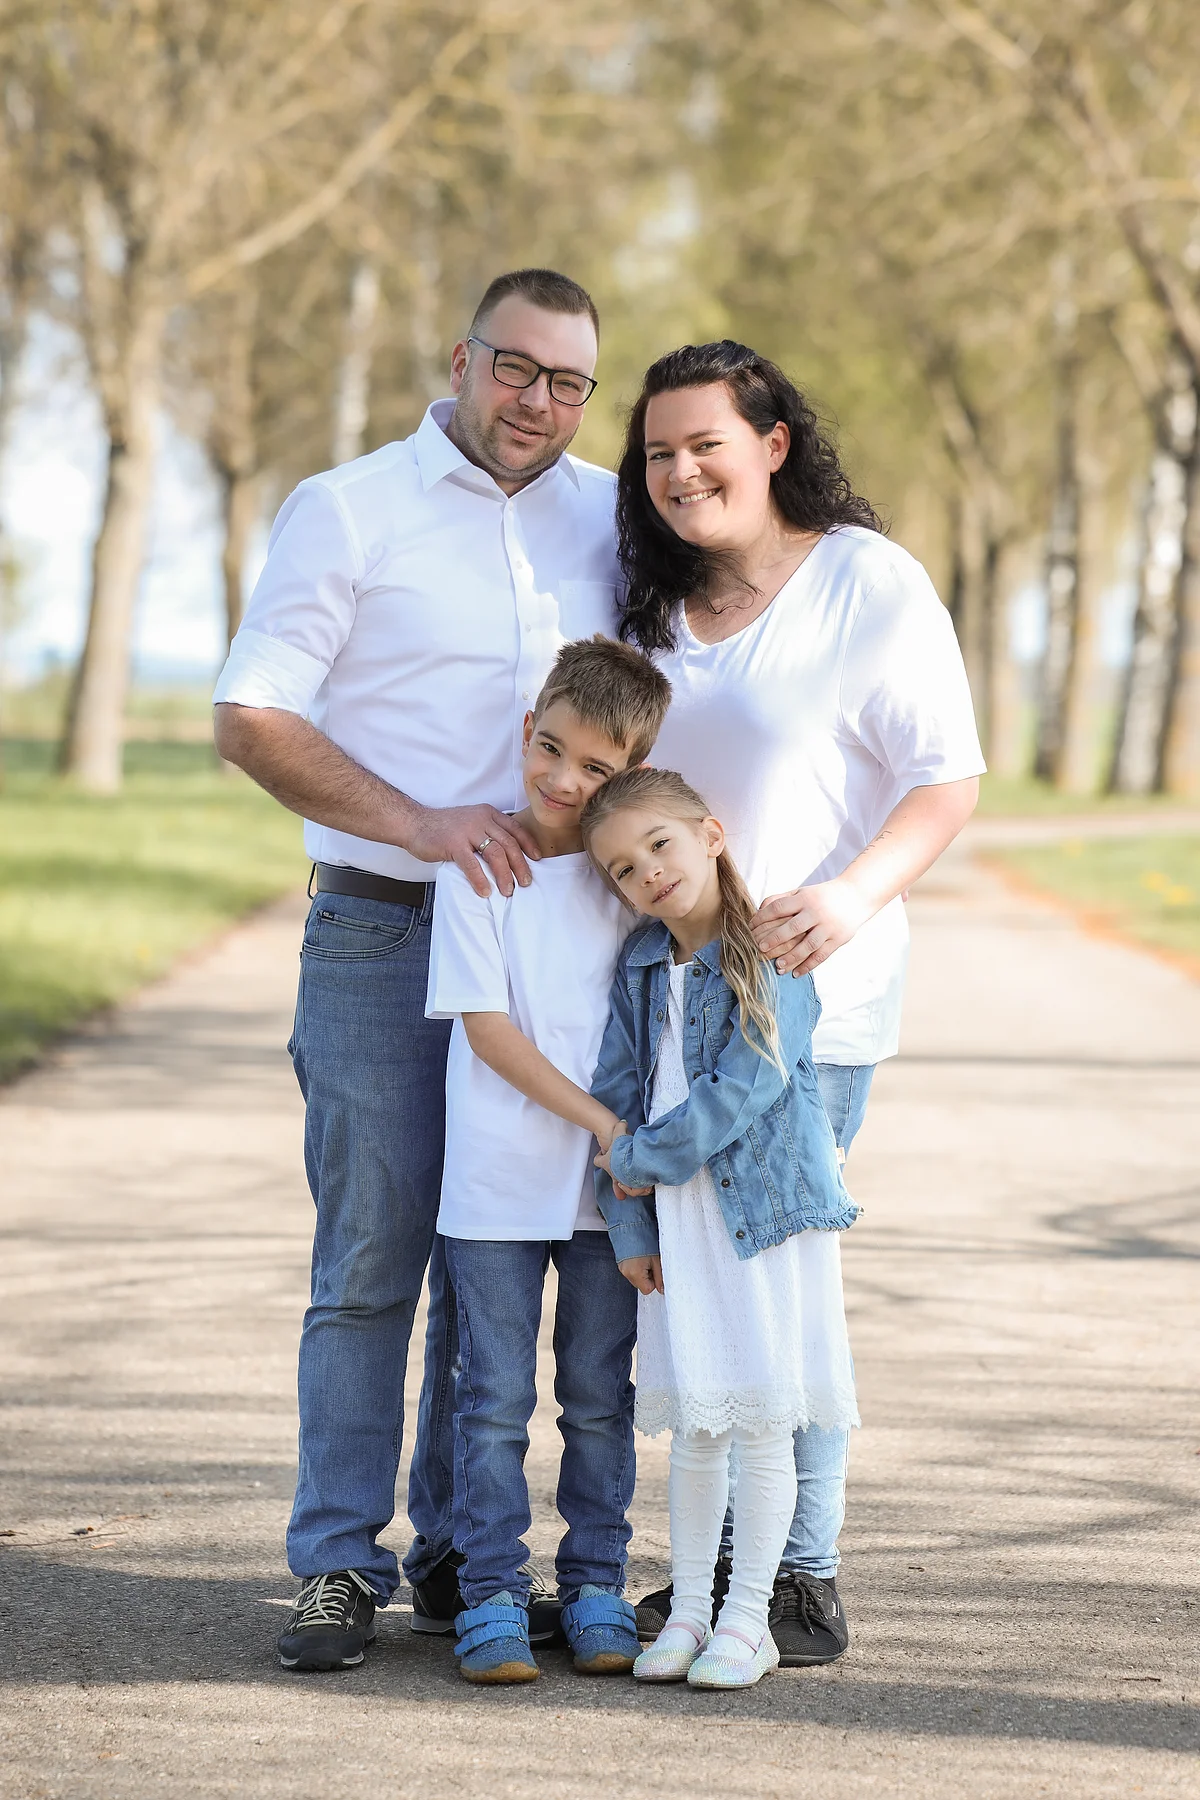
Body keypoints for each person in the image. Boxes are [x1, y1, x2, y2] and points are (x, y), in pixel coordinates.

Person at [212, 267, 620, 1673]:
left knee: (494, 1255)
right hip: (383, 926)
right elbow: (251, 714)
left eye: (569, 382)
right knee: (373, 1256)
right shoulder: (348, 507)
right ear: (460, 358)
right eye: (516, 367)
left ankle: (461, 1555)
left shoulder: (609, 518)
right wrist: (421, 823)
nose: (538, 401)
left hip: (547, 941)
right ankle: (337, 1561)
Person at [614, 340, 985, 1665]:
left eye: (705, 444)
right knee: (710, 1296)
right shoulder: (651, 608)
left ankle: (801, 1573)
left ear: (774, 445)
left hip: (806, 1007)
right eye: (658, 452)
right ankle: (726, 1572)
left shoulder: (865, 584)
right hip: (677, 1010)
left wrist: (852, 896)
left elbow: (945, 779)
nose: (679, 472)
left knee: (786, 1290)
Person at [581, 764, 860, 1690]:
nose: (647, 873)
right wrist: (630, 1227)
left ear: (710, 834)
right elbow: (617, 1095)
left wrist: (638, 1160)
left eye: (659, 844)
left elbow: (744, 1090)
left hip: (764, 1219)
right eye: (623, 868)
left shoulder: (771, 953)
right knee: (699, 1424)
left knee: (764, 1422)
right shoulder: (640, 963)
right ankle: (691, 1612)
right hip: (680, 1221)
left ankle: (749, 1620)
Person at [426, 637, 671, 1685]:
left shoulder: (630, 881)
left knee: (598, 1396)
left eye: (598, 768)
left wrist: (622, 1145)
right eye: (551, 749)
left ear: (634, 769)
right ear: (528, 729)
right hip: (495, 1181)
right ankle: (488, 1591)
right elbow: (489, 1031)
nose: (565, 780)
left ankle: (595, 1586)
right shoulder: (480, 865)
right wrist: (604, 1123)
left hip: (608, 1194)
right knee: (488, 1400)